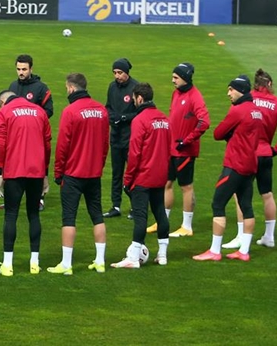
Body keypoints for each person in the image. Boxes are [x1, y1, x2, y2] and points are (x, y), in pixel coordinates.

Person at [221, 69, 277, 250]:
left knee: (240, 195)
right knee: (267, 194)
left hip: (246, 155)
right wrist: (276, 149)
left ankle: (240, 236)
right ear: (269, 84)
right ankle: (269, 237)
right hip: (265, 154)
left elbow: (230, 125)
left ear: (255, 84)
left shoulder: (246, 99)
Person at [194, 75, 262, 262]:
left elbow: (217, 133)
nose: (228, 93)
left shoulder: (238, 110)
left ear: (240, 90)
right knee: (246, 207)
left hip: (234, 165)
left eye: (231, 89)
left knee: (217, 204)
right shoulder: (257, 111)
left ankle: (215, 251)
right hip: (250, 166)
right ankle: (244, 251)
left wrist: (231, 134)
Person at [48, 73, 109, 275]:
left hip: (73, 174)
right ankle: (100, 261)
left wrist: (58, 173)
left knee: (69, 218)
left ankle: (66, 264)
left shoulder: (70, 111)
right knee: (97, 216)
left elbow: (63, 146)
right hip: (93, 173)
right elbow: (104, 144)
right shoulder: (101, 110)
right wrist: (99, 166)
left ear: (71, 88)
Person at [0, 90, 51, 276]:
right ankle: (34, 263)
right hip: (36, 171)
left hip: (14, 171)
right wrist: (45, 173)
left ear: (2, 102)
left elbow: (0, 144)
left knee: (10, 215)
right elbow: (47, 143)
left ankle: (7, 265)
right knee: (33, 214)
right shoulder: (39, 112)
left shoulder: (3, 113)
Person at [111, 83, 172, 269]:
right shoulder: (164, 119)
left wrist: (128, 180)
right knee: (160, 213)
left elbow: (134, 153)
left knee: (140, 216)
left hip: (143, 176)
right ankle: (162, 255)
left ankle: (134, 257)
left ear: (139, 98)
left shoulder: (140, 120)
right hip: (160, 175)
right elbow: (169, 148)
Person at [148, 63, 210, 237]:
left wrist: (188, 140)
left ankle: (187, 226)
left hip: (185, 151)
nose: (172, 80)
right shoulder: (177, 93)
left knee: (186, 187)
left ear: (186, 77)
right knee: (166, 184)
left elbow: (204, 122)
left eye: (176, 77)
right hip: (172, 148)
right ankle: (162, 221)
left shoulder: (195, 96)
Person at [7, 54, 54, 210]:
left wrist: (33, 121)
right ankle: (14, 195)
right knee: (15, 162)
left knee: (38, 164)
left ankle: (39, 197)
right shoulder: (13, 87)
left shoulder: (41, 88)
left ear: (31, 69)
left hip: (36, 136)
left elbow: (49, 110)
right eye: (18, 69)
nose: (21, 72)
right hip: (16, 136)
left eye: (24, 69)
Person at [104, 58, 139, 219]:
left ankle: (135, 206)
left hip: (131, 138)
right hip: (116, 137)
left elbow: (140, 113)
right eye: (115, 73)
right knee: (116, 173)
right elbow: (108, 107)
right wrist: (112, 117)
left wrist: (124, 117)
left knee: (132, 173)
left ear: (127, 73)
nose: (117, 76)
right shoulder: (112, 87)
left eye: (120, 73)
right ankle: (116, 205)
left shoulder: (135, 88)